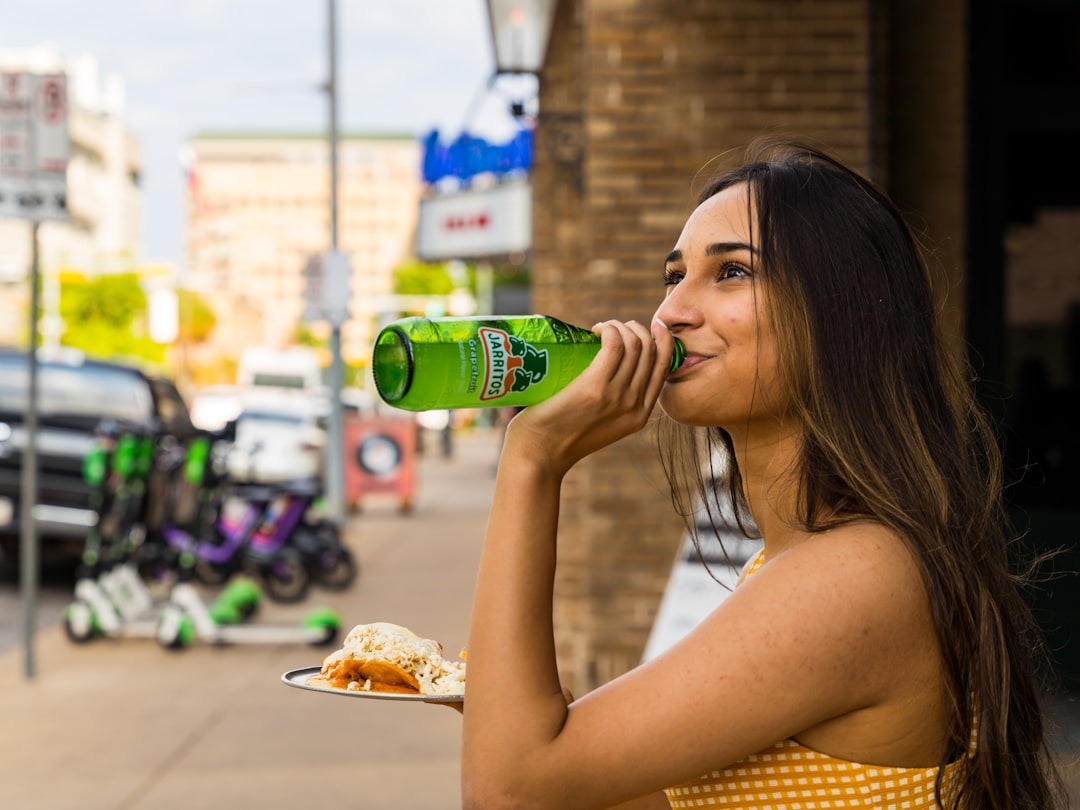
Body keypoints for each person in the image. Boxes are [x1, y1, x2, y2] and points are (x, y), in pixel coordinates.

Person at [459, 138, 1065, 809]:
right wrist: (503, 705)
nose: (671, 313)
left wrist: (532, 460)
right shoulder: (796, 560)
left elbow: (508, 792)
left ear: (842, 312)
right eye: (673, 276)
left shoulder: (855, 573)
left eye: (732, 274)